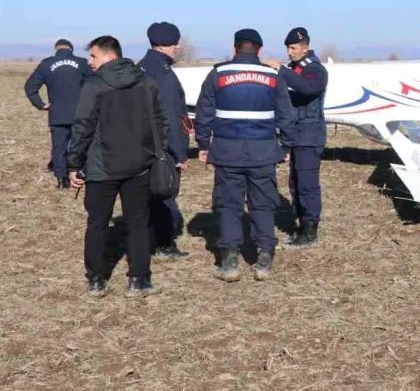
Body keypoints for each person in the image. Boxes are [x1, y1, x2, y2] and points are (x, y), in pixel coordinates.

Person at [67, 36, 166, 298]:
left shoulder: (94, 86)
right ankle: (140, 280)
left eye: (93, 57)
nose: (90, 62)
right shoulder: (147, 82)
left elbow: (82, 127)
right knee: (138, 223)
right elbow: (160, 123)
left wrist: (73, 163)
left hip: (102, 168)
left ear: (109, 57)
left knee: (97, 223)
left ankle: (97, 280)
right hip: (139, 165)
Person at [195, 29, 297, 282]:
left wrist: (203, 144)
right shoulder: (273, 75)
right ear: (260, 50)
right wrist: (286, 146)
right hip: (262, 150)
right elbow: (286, 114)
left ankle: (229, 261)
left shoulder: (218, 73)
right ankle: (264, 258)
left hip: (227, 150)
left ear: (235, 48)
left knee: (229, 205)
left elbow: (204, 112)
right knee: (262, 203)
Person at [264, 27, 328, 249]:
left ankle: (310, 232)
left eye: (293, 48)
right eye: (288, 48)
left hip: (309, 137)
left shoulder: (315, 70)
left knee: (308, 185)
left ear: (305, 47)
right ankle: (302, 226)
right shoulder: (295, 69)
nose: (289, 52)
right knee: (296, 184)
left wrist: (281, 70)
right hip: (296, 136)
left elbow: (308, 88)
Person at [136, 22, 190, 260]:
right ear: (165, 45)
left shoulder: (140, 68)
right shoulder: (163, 74)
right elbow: (171, 115)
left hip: (141, 144)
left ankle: (147, 239)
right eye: (175, 43)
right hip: (162, 147)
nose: (177, 47)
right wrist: (180, 154)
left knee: (147, 194)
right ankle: (164, 245)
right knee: (164, 193)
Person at [24, 39, 92, 188]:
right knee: (80, 145)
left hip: (57, 114)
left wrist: (40, 104)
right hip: (80, 114)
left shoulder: (46, 64)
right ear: (71, 49)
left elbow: (30, 87)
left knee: (58, 148)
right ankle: (79, 175)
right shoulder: (82, 63)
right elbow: (96, 82)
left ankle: (62, 180)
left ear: (56, 49)